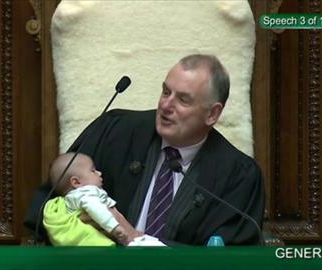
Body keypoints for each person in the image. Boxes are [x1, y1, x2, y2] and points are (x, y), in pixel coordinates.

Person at [26, 53, 265, 245]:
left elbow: (230, 260)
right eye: (165, 91)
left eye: (183, 100)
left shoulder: (239, 175)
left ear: (212, 114)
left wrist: (133, 238)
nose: (165, 105)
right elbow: (46, 206)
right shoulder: (114, 130)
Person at [43, 152, 142, 246]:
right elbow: (97, 209)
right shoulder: (85, 193)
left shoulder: (69, 199)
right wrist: (115, 228)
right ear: (76, 182)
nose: (99, 173)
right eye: (93, 171)